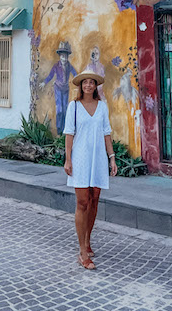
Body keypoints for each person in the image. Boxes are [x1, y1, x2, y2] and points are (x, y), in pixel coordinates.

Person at [63, 71, 117, 270]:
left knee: (94, 199)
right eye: (84, 82)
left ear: (95, 86)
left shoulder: (102, 107)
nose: (88, 85)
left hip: (98, 159)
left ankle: (87, 240)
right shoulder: (74, 107)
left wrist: (112, 159)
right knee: (82, 202)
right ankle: (82, 252)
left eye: (91, 82)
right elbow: (69, 134)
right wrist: (68, 160)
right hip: (81, 158)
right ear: (81, 86)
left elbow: (106, 134)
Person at [39, 41, 77, 135]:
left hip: (66, 88)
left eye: (66, 56)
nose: (64, 58)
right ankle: (59, 129)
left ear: (68, 57)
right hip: (58, 88)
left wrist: (80, 81)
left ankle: (64, 129)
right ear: (60, 56)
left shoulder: (69, 65)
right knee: (59, 109)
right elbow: (51, 75)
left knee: (65, 109)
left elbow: (75, 74)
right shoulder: (56, 65)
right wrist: (44, 82)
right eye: (62, 56)